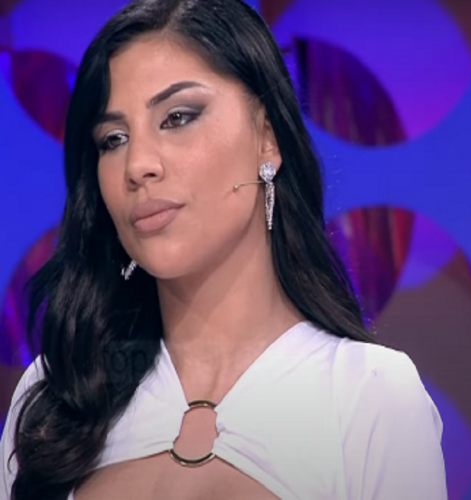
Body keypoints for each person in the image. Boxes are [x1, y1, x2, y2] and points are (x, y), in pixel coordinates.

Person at [0, 0, 448, 499]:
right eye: (113, 139)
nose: (138, 164)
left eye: (177, 117)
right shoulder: (55, 398)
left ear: (267, 139)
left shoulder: (371, 396)